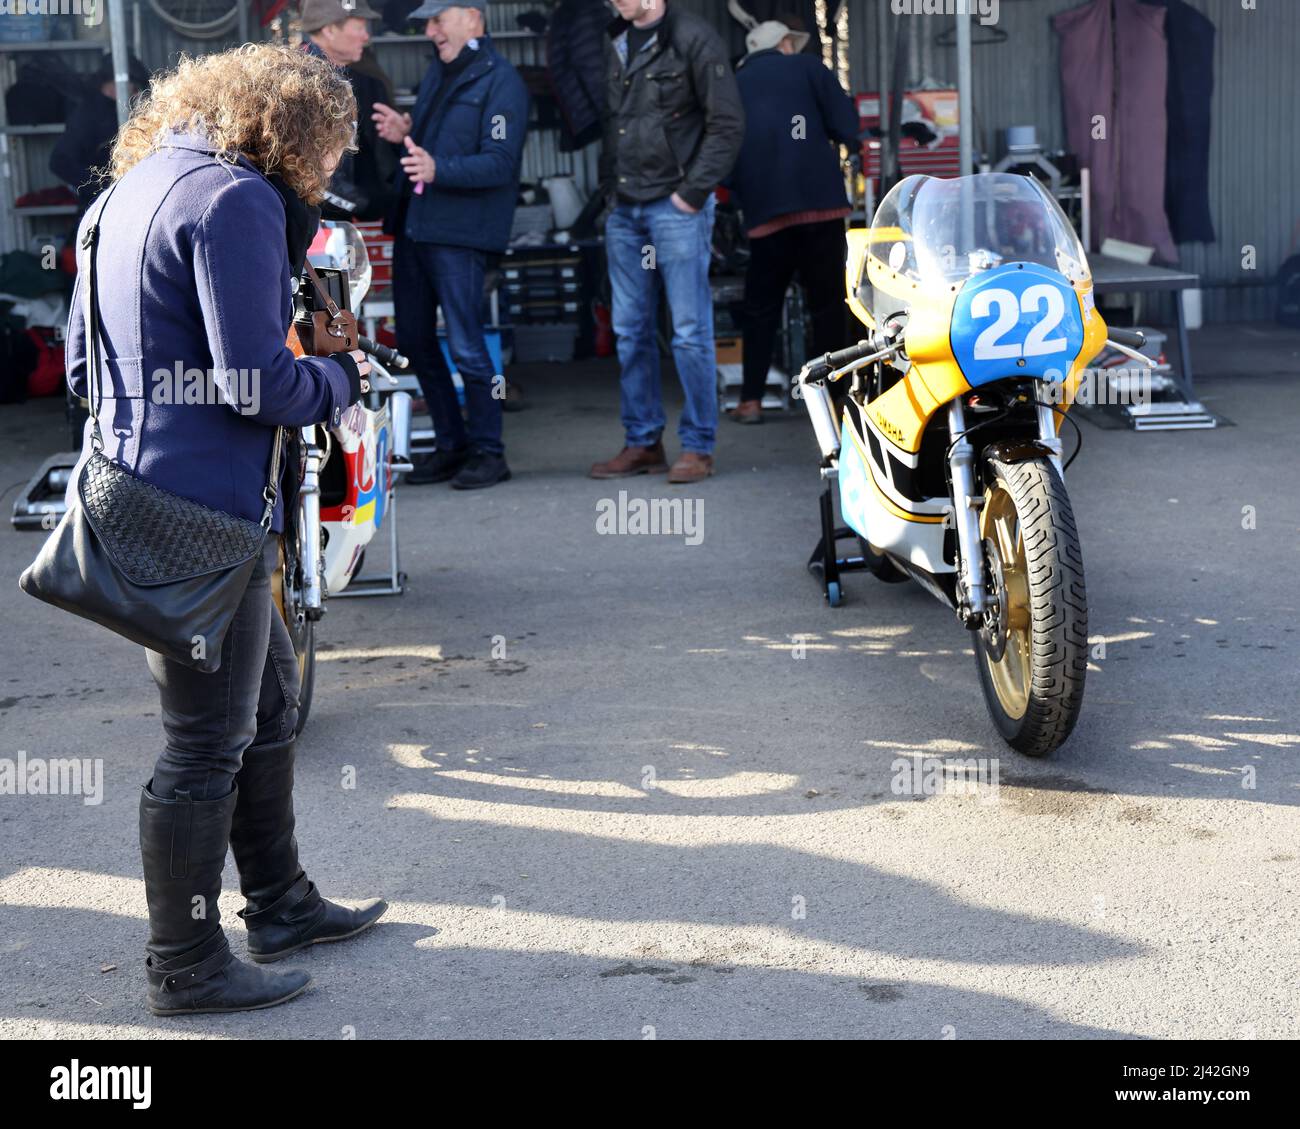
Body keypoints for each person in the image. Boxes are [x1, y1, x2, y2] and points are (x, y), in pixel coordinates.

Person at [63, 45, 387, 1016]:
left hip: (141, 493)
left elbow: (81, 370)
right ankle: (188, 964)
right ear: (290, 130)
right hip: (201, 512)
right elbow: (259, 382)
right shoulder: (234, 202)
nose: (330, 170)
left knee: (272, 706)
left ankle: (280, 901)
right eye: (330, 148)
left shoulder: (122, 194)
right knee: (205, 743)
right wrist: (342, 382)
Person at [372, 1, 528, 489]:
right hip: (420, 228)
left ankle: (489, 452)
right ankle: (451, 446)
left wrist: (440, 170)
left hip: (461, 234)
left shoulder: (502, 82)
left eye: (440, 20)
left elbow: (500, 162)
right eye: (429, 22)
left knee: (467, 344)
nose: (431, 30)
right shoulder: (439, 73)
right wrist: (406, 133)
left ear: (474, 21)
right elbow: (432, 147)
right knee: (415, 340)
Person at [590, 0, 744, 485]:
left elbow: (727, 123)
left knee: (689, 332)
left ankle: (699, 446)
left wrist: (690, 196)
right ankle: (643, 442)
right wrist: (612, 195)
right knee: (630, 330)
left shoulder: (694, 37)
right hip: (626, 208)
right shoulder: (613, 38)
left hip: (674, 207)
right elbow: (615, 123)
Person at [726, 20, 859, 424]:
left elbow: (722, 143)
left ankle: (750, 401)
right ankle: (836, 402)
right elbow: (847, 128)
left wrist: (738, 190)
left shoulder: (735, 83)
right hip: (821, 208)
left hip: (766, 214)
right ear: (785, 44)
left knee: (761, 307)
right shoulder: (809, 68)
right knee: (828, 306)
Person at [300, 0, 398, 222]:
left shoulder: (367, 83)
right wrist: (362, 204)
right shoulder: (294, 85)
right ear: (330, 29)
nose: (366, 37)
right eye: (360, 27)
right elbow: (302, 172)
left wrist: (401, 136)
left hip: (349, 225)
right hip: (308, 230)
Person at [49, 52, 150, 212]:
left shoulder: (122, 112)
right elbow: (60, 162)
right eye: (134, 88)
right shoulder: (89, 114)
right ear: (113, 84)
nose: (137, 94)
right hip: (98, 209)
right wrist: (104, 186)